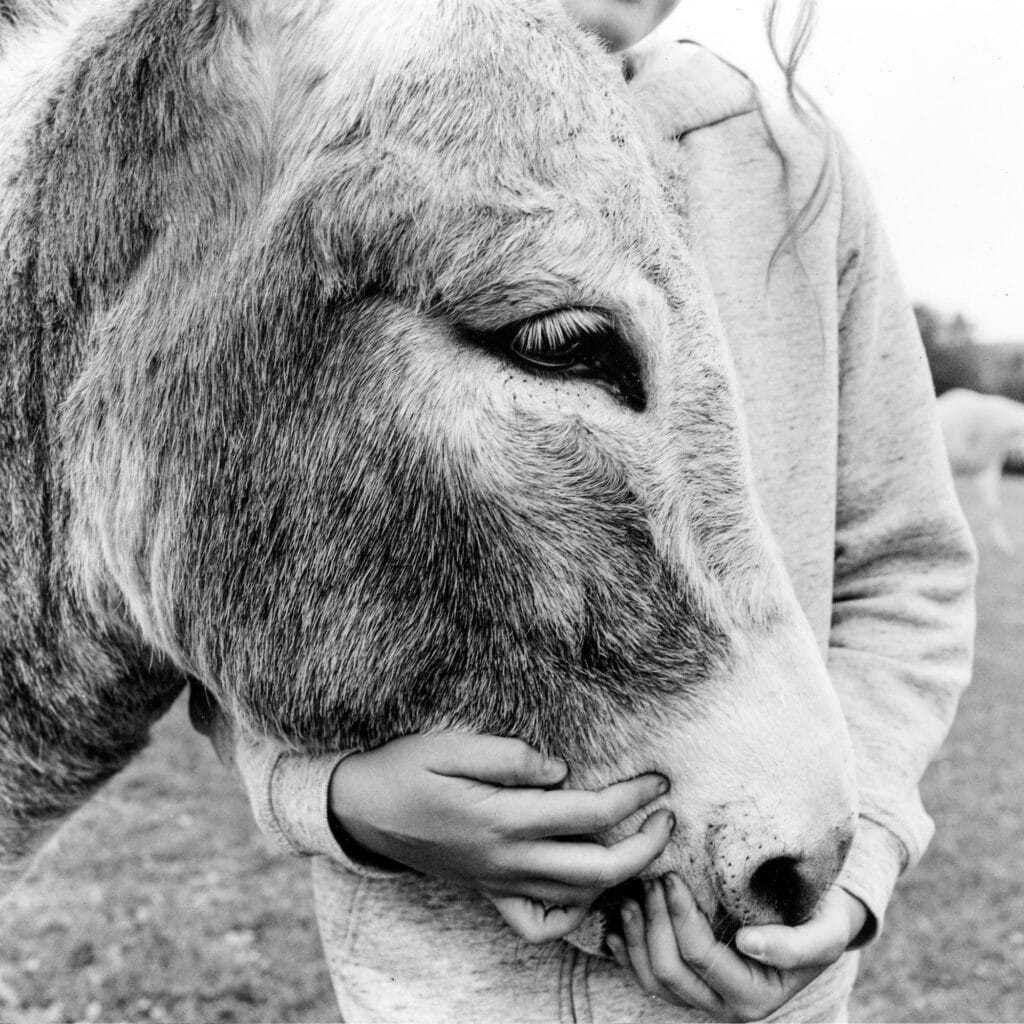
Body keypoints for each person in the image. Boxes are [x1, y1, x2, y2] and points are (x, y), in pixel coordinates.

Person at [199, 0, 977, 1020]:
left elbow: (905, 565)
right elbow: (216, 588)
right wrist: (339, 800)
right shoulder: (314, 144)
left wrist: (857, 851)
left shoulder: (790, 165)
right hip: (434, 990)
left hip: (761, 992)